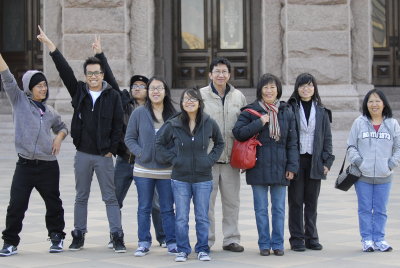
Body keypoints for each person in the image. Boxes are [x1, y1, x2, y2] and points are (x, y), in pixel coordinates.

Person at [37, 26, 126, 253]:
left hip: (105, 155)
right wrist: (51, 46)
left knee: (111, 198)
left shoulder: (113, 95)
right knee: (81, 197)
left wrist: (112, 149)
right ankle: (79, 234)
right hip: (84, 154)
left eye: (97, 73)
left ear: (102, 74)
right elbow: (64, 70)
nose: (94, 77)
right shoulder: (79, 92)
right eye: (90, 74)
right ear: (85, 76)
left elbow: (118, 126)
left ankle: (117, 236)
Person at [92, 39, 166, 248]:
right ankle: (115, 235)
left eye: (142, 86)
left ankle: (162, 236)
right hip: (126, 160)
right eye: (134, 85)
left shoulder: (156, 108)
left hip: (149, 163)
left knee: (155, 203)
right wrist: (100, 56)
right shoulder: (123, 102)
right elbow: (112, 80)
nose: (137, 88)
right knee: (115, 199)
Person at [0, 53, 68, 256]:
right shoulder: (19, 101)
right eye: (39, 85)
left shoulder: (49, 111)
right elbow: (7, 76)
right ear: (30, 87)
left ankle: (57, 237)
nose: (43, 88)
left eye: (45, 85)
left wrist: (58, 137)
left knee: (53, 203)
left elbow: (62, 127)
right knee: (16, 204)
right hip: (25, 165)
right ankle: (10, 242)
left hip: (48, 165)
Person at [232, 73, 299, 256]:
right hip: (258, 167)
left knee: (278, 209)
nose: (269, 91)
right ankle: (264, 244)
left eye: (272, 87)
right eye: (265, 87)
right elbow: (238, 133)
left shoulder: (286, 110)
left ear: (278, 89)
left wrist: (292, 167)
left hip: (280, 167)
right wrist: (260, 122)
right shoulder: (250, 111)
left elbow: (292, 142)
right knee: (261, 209)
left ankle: (277, 243)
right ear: (260, 90)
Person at [156, 89, 224, 262]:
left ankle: (202, 249)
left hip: (203, 177)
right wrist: (174, 159)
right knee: (181, 217)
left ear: (200, 102)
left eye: (193, 99)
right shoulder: (174, 123)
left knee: (202, 216)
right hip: (180, 177)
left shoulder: (208, 122)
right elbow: (159, 143)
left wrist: (209, 160)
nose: (189, 102)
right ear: (181, 103)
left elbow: (220, 142)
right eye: (186, 99)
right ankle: (183, 249)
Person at [125, 77, 177, 256]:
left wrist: (171, 155)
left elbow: (179, 140)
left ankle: (171, 241)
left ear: (165, 91)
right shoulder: (139, 113)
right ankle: (143, 242)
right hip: (143, 170)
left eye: (159, 88)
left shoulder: (174, 115)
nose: (156, 91)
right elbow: (129, 138)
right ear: (148, 92)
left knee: (167, 208)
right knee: (144, 207)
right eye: (152, 88)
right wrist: (140, 153)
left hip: (166, 170)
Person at [199, 57, 247, 252]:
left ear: (229, 74)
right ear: (210, 74)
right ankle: (206, 240)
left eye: (224, 71)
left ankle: (231, 239)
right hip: (207, 160)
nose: (221, 75)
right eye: (217, 71)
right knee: (206, 204)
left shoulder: (239, 97)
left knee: (232, 202)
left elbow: (243, 126)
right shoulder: (200, 95)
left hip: (231, 160)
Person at [347, 89, 400, 252]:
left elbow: (398, 147)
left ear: (384, 103)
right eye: (370, 101)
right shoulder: (359, 122)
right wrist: (360, 163)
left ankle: (379, 239)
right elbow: (351, 146)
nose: (374, 104)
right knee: (364, 209)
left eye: (377, 101)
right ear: (366, 104)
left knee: (381, 209)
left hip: (385, 175)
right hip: (363, 176)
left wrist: (391, 164)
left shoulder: (392, 123)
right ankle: (367, 239)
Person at [287, 73, 335, 251]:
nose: (305, 89)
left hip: (315, 161)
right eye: (302, 85)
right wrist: (288, 163)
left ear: (314, 88)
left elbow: (327, 139)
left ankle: (312, 237)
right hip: (296, 161)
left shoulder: (322, 111)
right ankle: (297, 238)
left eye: (309, 85)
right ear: (297, 88)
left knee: (312, 201)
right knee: (296, 201)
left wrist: (327, 161)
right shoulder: (290, 108)